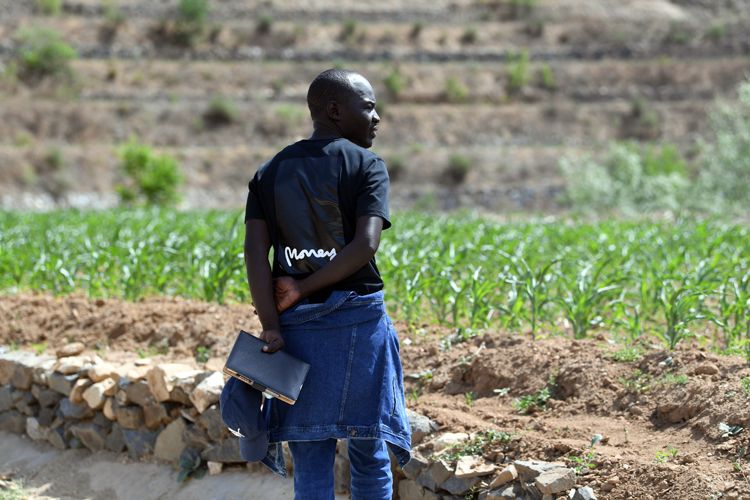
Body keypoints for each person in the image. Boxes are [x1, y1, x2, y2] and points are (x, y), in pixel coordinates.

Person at [243, 68, 411, 500]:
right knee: (369, 451)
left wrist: (272, 324)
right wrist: (304, 287)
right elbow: (365, 245)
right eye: (368, 106)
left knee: (311, 451)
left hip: (297, 331)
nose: (377, 117)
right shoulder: (366, 165)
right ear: (336, 111)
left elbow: (255, 255)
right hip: (358, 323)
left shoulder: (270, 171)